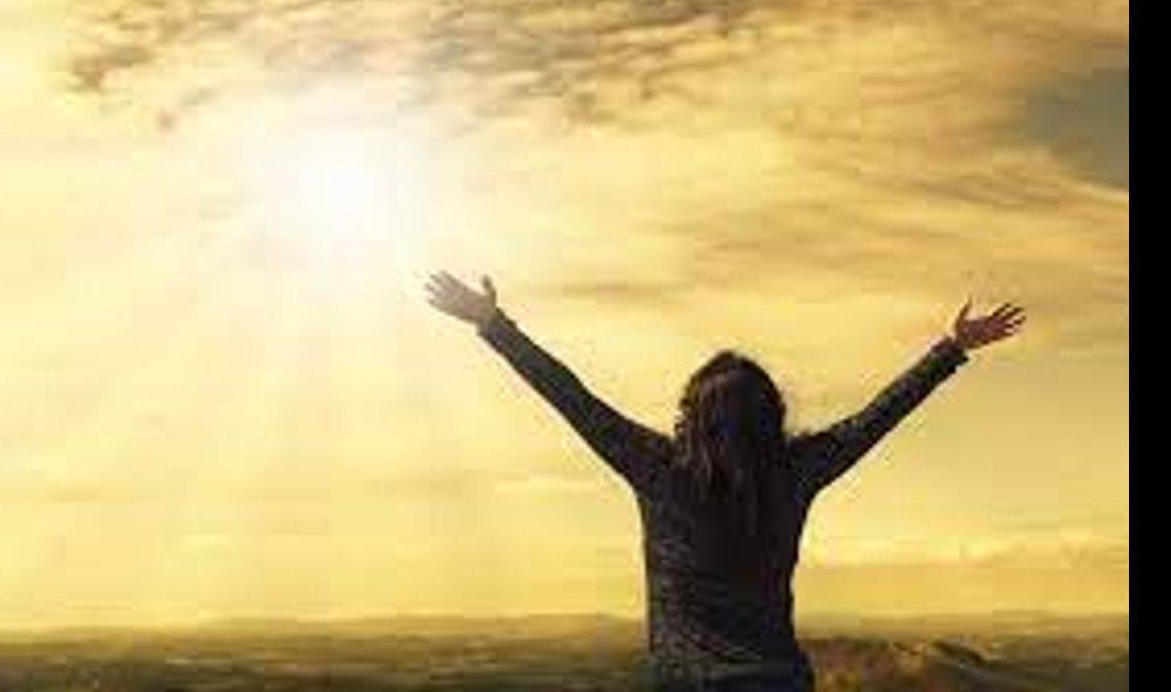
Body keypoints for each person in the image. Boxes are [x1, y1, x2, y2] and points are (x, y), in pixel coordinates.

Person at [424, 271, 1025, 692]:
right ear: (772, 414)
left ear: (691, 415)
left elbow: (571, 397)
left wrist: (494, 325)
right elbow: (875, 418)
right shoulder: (796, 470)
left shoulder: (658, 468)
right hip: (779, 682)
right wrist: (951, 348)